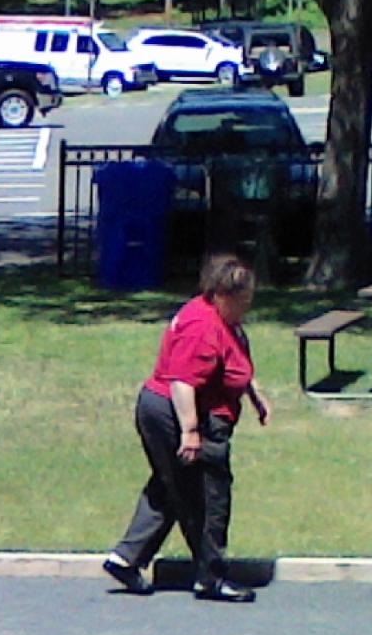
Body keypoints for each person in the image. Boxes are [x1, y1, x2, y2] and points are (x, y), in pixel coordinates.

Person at [103, 256, 270, 601]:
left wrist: (255, 395)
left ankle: (125, 559)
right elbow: (183, 382)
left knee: (172, 486)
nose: (247, 306)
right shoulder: (202, 326)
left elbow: (234, 361)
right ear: (223, 294)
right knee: (207, 496)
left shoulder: (221, 319)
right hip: (176, 412)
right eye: (243, 300)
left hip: (184, 410)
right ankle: (212, 577)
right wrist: (190, 432)